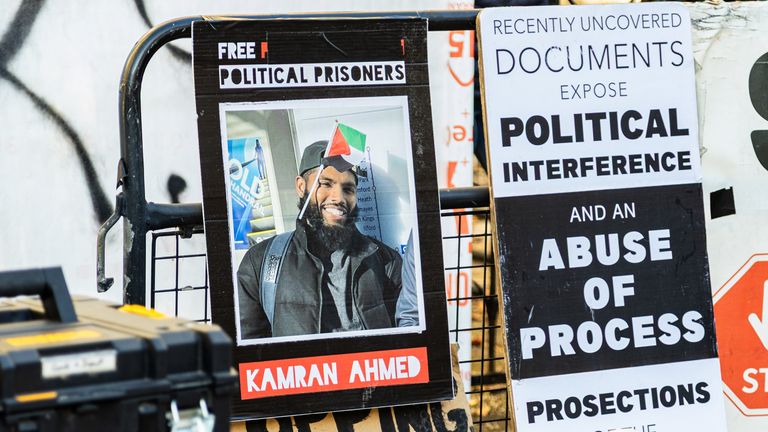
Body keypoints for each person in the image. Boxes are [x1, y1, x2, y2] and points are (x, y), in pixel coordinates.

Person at [237, 140, 403, 339]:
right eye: (325, 184)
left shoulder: (386, 261)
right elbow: (249, 355)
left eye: (348, 189)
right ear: (301, 186)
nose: (338, 197)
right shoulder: (260, 262)